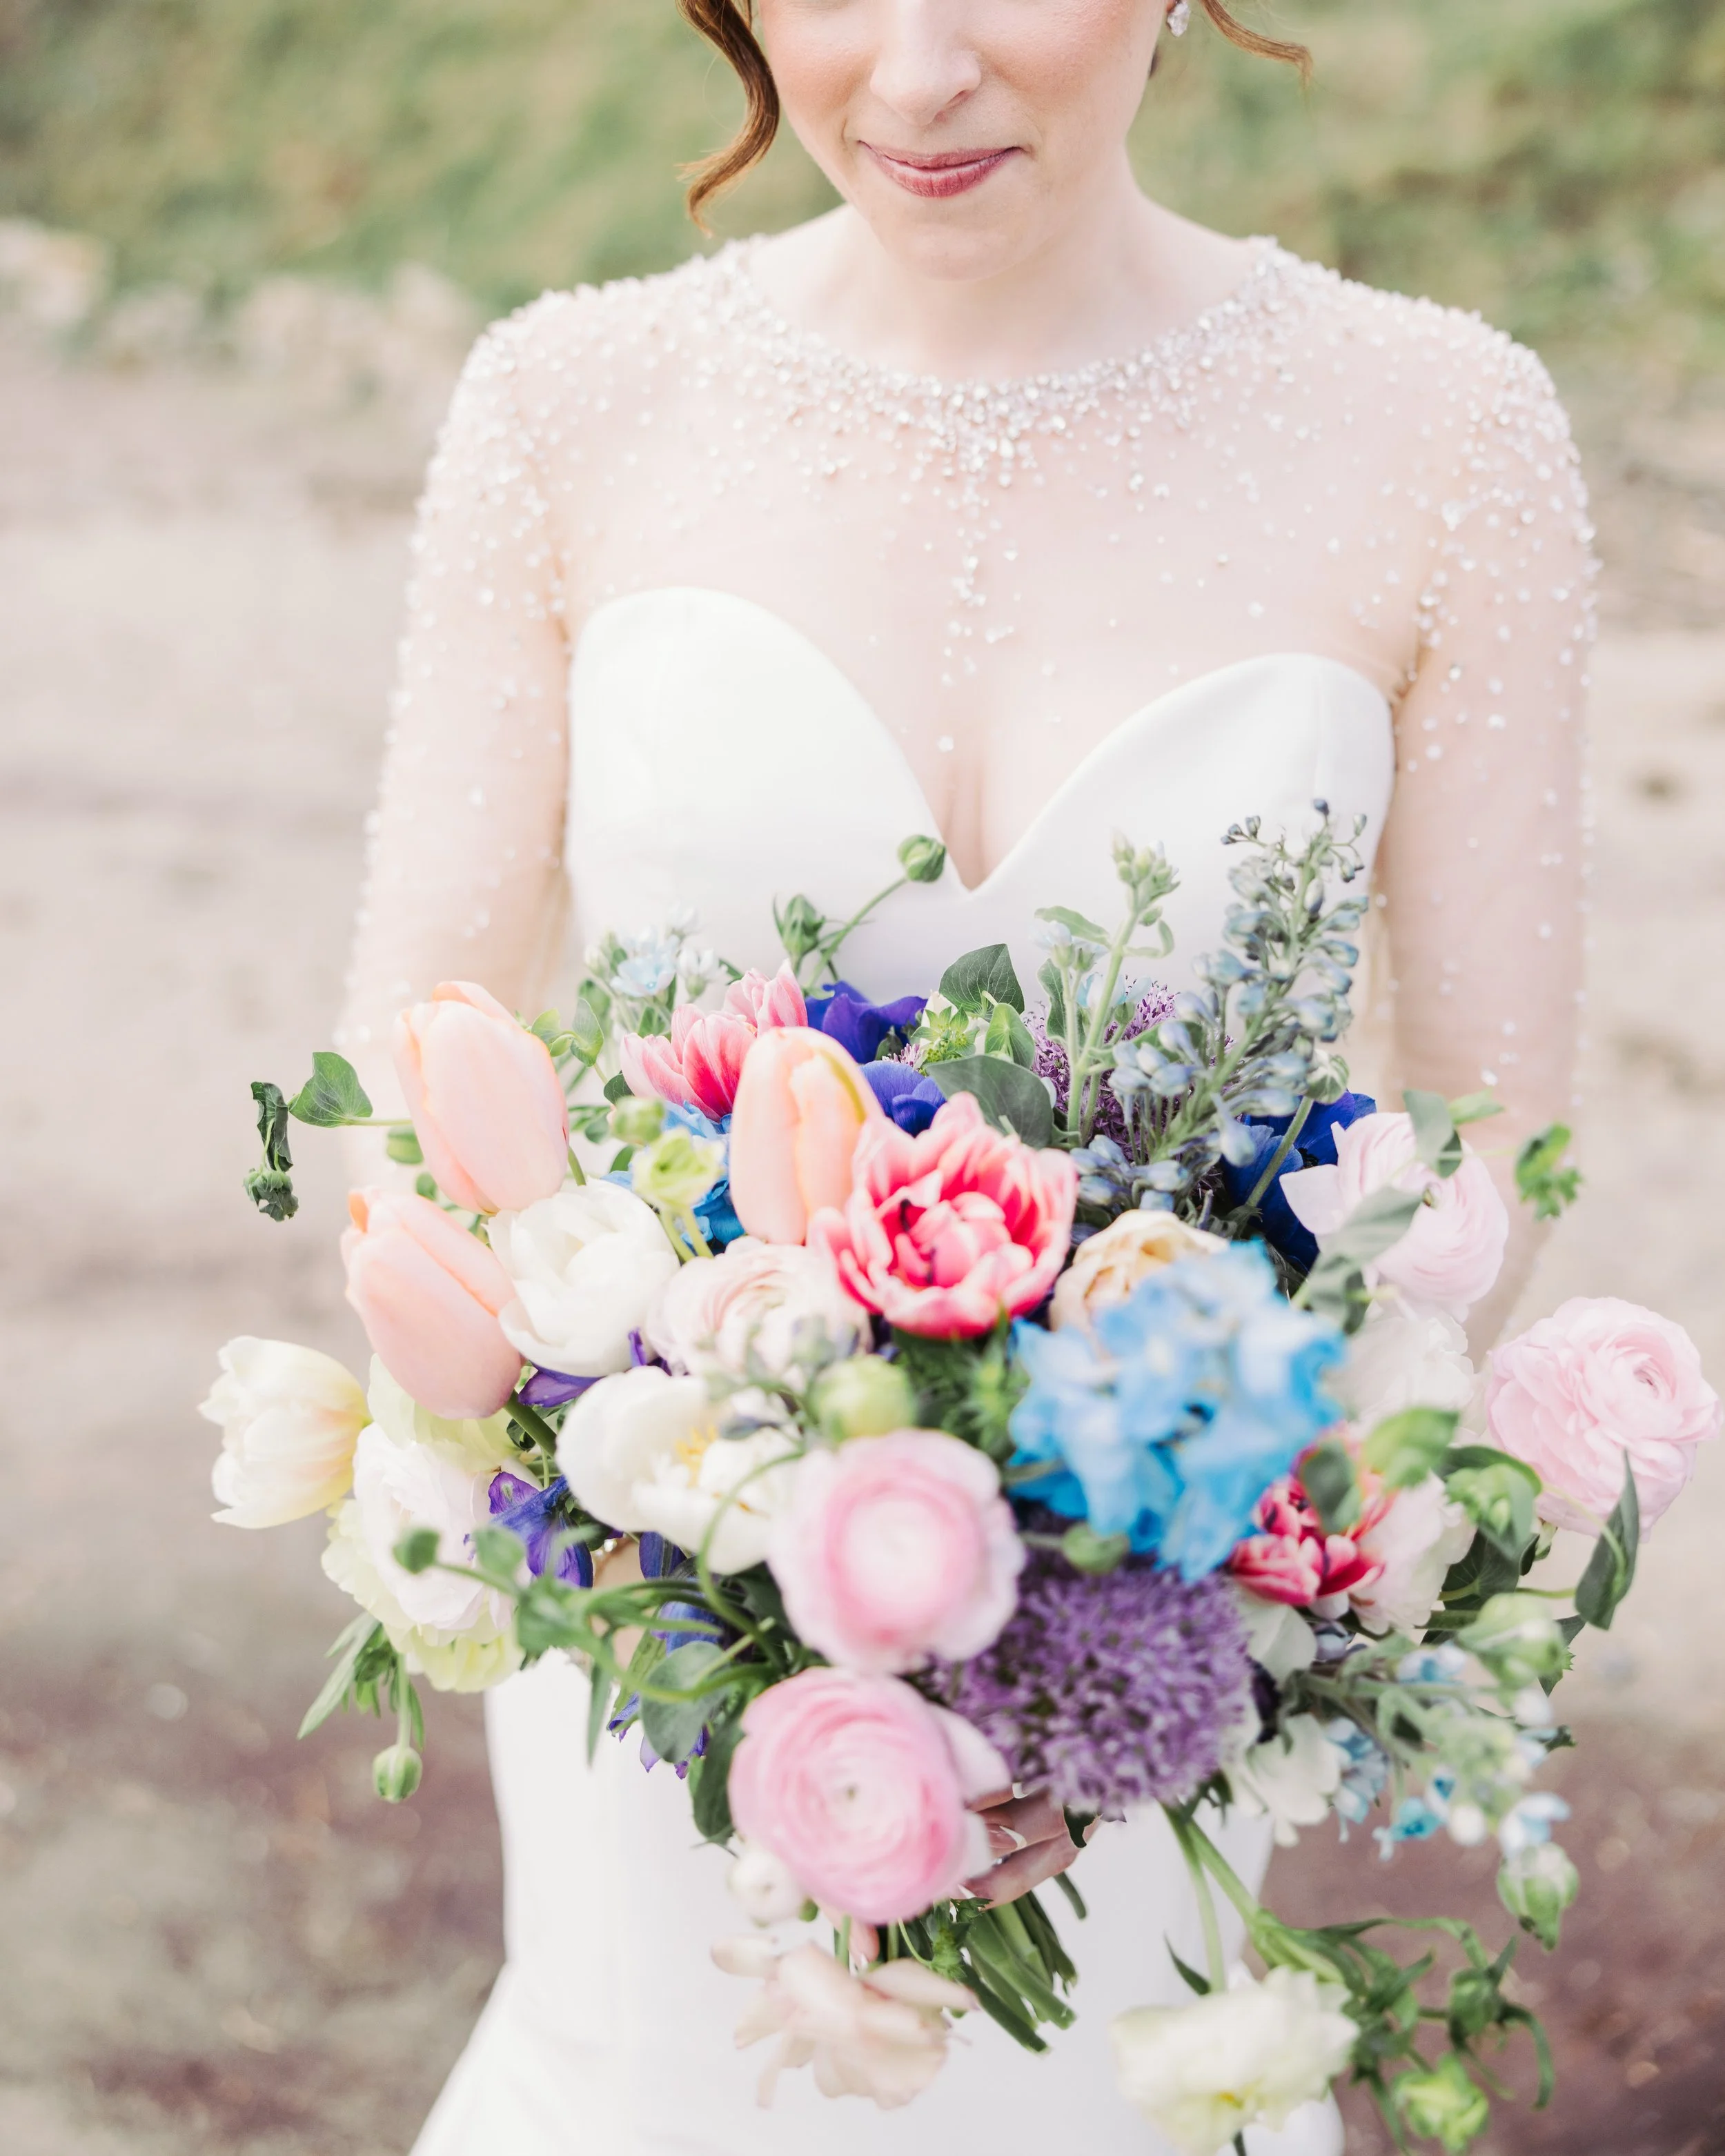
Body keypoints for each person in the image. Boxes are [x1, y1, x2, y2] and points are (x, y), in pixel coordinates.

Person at [337, 3, 1592, 2148]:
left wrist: (1245, 1622)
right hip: (660, 1651)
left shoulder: (1438, 430)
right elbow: (407, 1077)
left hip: (1152, 1702)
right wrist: (688, 1559)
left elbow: (1481, 1140)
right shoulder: (571, 403)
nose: (914, 73)